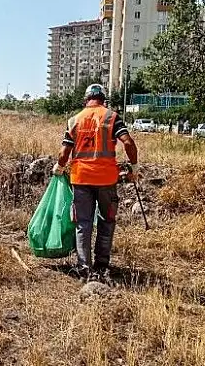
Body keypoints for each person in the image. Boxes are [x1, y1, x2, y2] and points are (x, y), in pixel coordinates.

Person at [52, 84, 138, 282]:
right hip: (107, 180)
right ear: (103, 100)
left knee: (83, 224)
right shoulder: (111, 117)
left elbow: (64, 152)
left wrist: (59, 167)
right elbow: (128, 143)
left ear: (86, 100)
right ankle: (101, 266)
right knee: (107, 221)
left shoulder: (74, 120)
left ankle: (84, 267)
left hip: (81, 179)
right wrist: (135, 168)